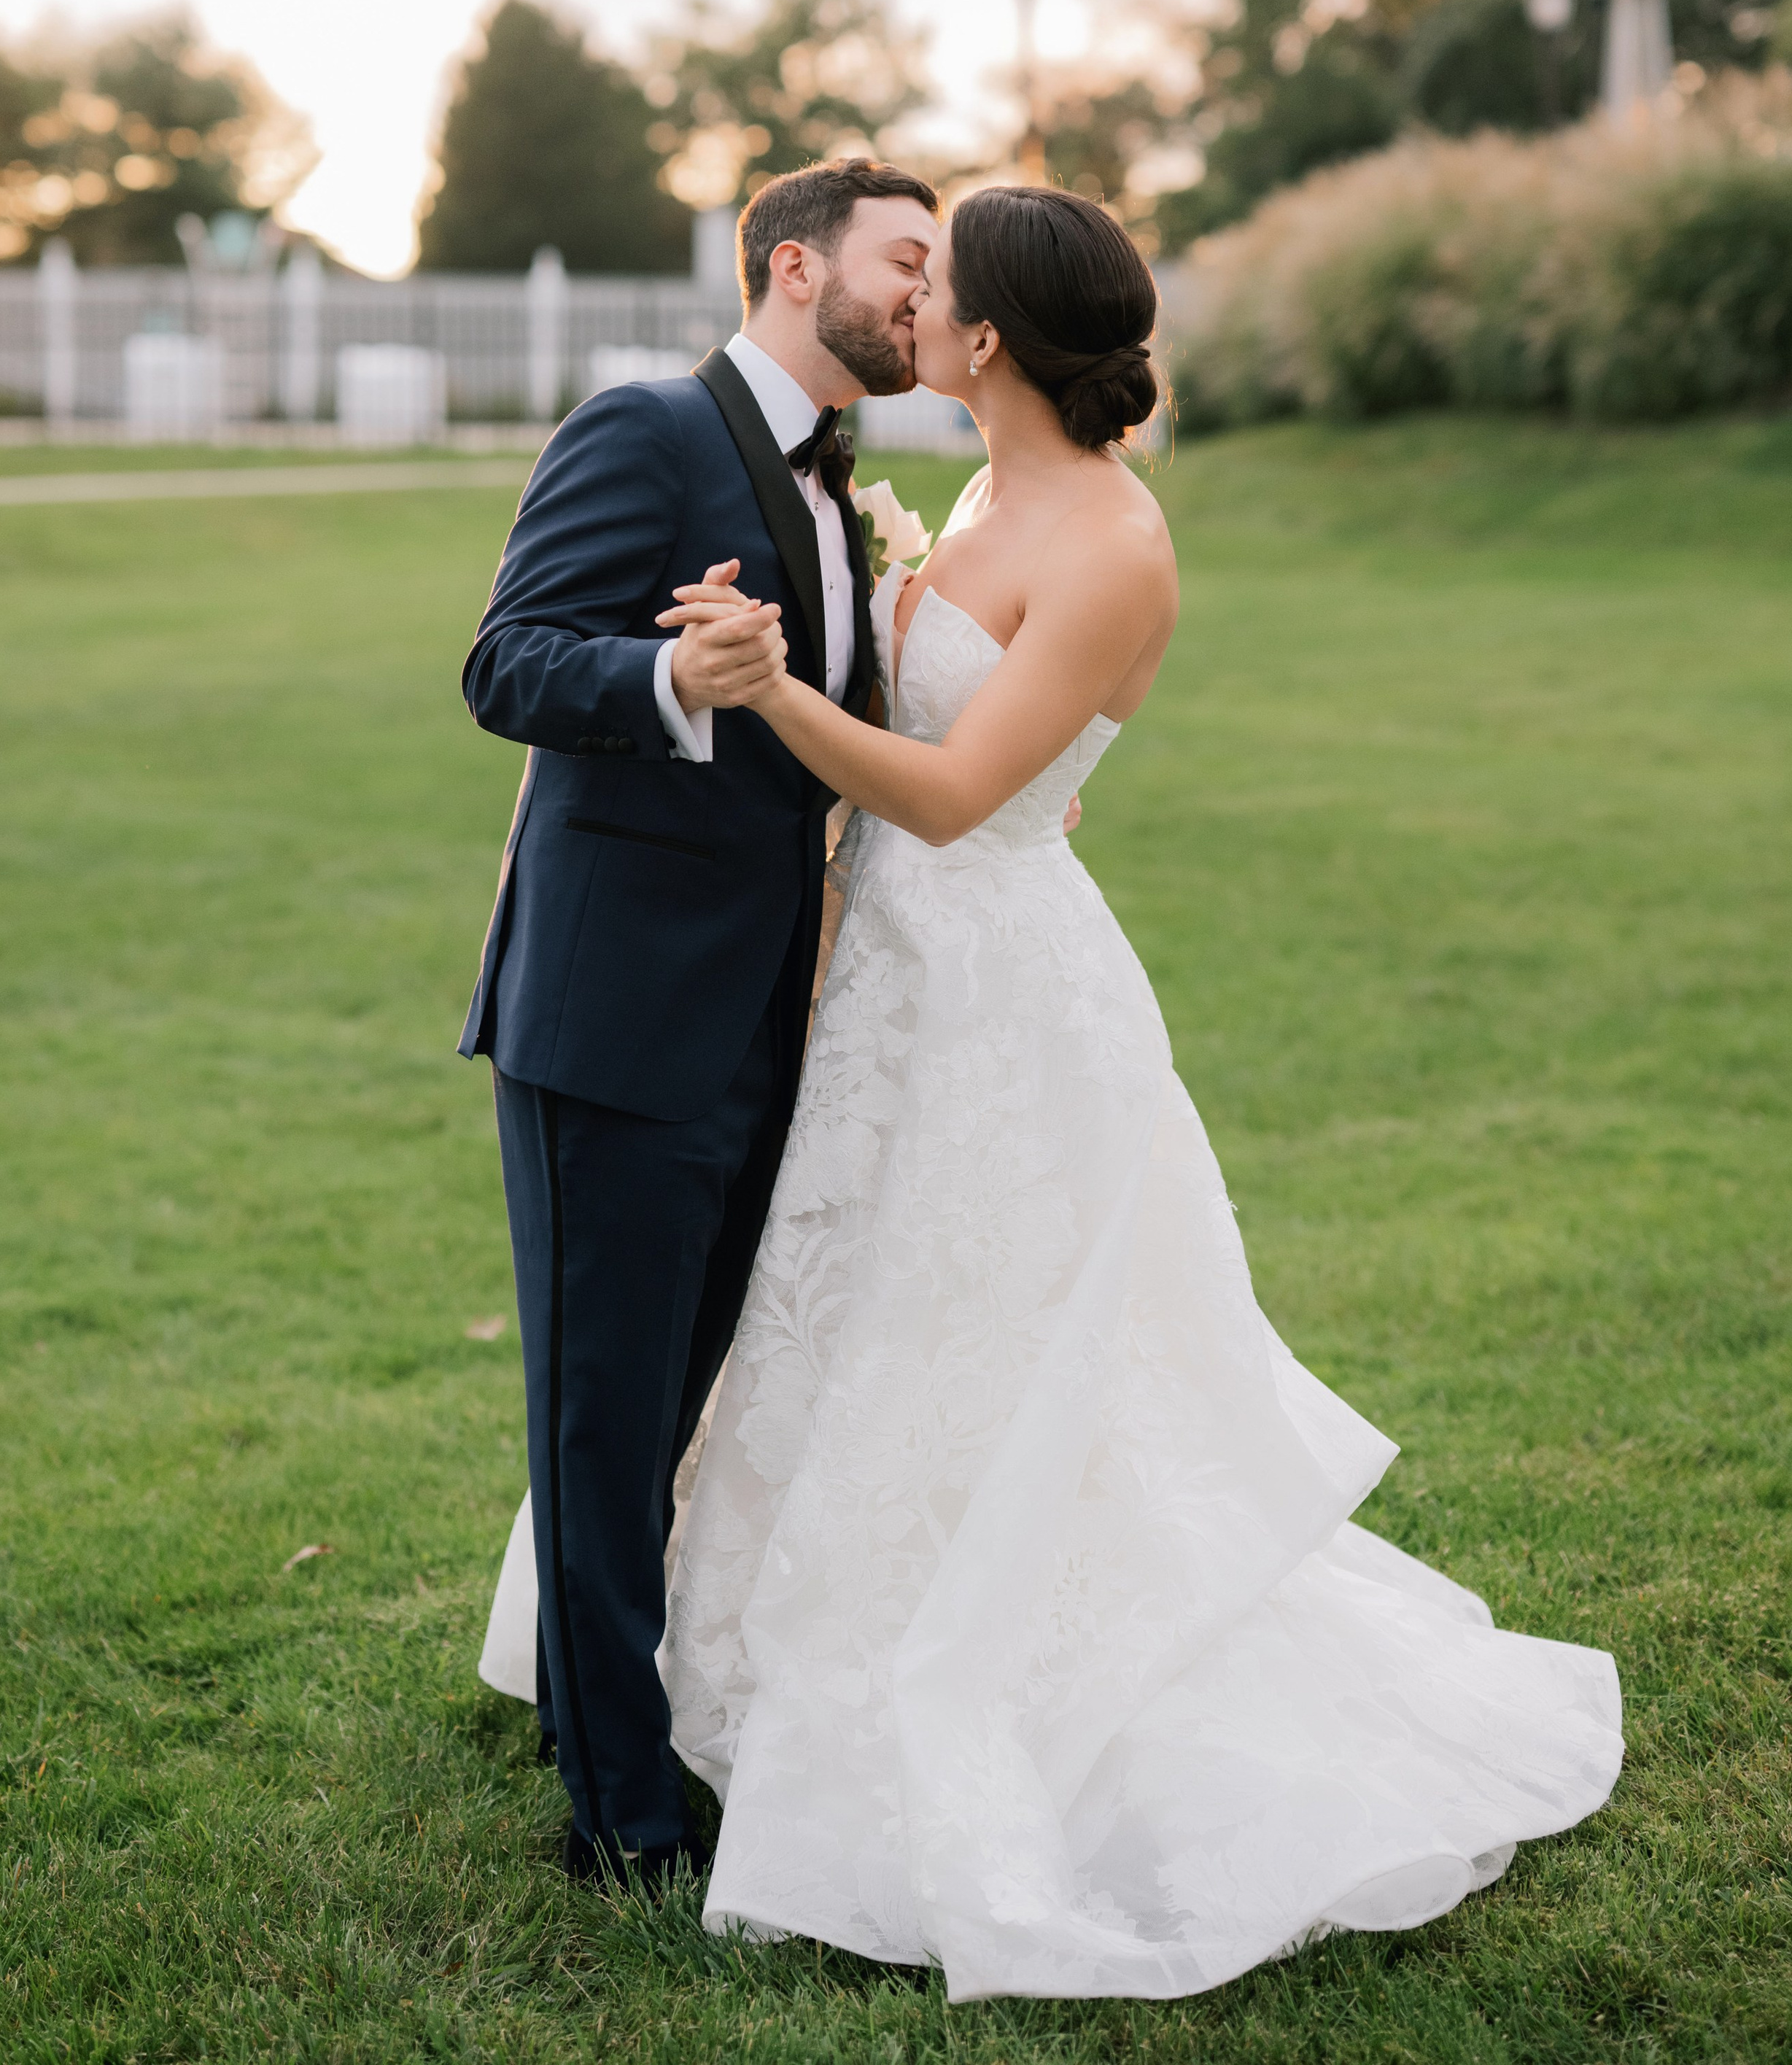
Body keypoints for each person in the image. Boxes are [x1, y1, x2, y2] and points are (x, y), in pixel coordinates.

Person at [642, 185, 1625, 1998]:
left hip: (1001, 999)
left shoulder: (1110, 539)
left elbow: (949, 797)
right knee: (855, 1318)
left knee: (990, 1346)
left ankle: (1017, 1685)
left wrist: (772, 688)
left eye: (935, 288)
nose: (908, 305)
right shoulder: (991, 490)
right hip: (893, 978)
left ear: (991, 338)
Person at [457, 155, 938, 1886]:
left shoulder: (837, 481)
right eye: (905, 260)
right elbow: (506, 662)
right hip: (615, 1018)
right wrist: (669, 676)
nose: (925, 294)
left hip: (763, 1018)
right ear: (794, 268)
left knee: (660, 1413)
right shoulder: (644, 429)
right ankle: (623, 1817)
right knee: (602, 1422)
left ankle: (595, 1709)